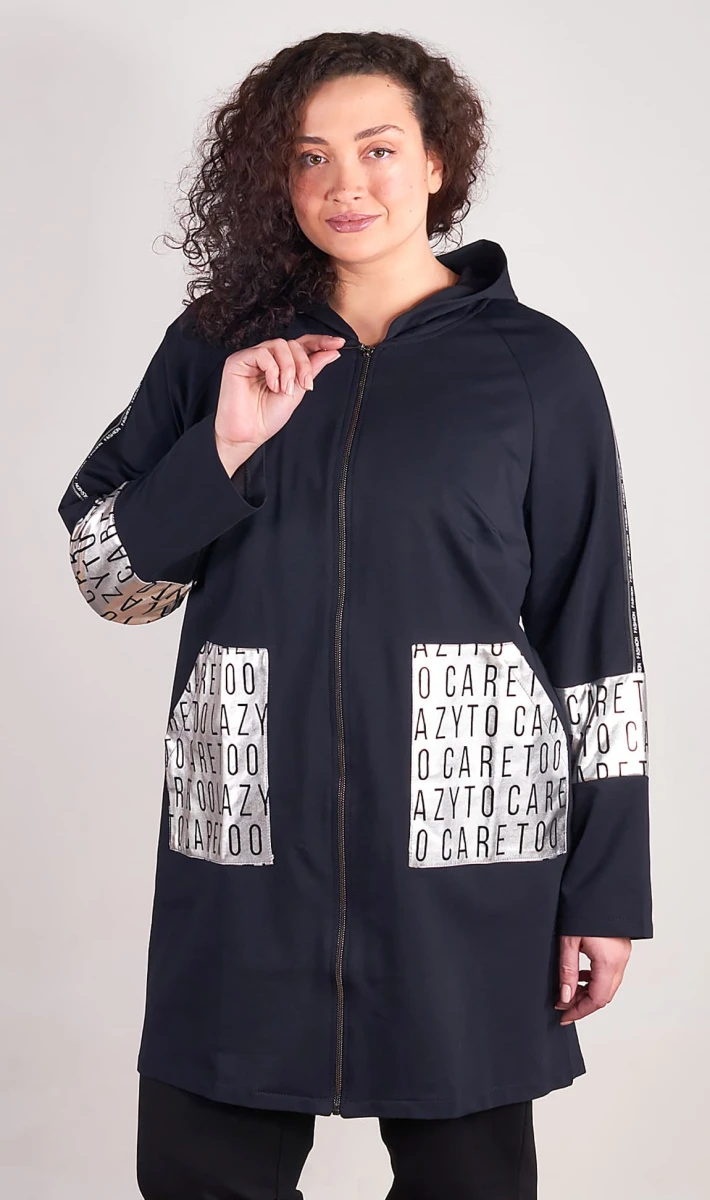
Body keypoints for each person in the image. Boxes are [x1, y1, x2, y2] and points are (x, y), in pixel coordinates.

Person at [56, 29, 653, 1200]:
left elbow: (593, 643)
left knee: (467, 1184)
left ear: (436, 162)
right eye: (309, 156)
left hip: (465, 845)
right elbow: (107, 575)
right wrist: (222, 449)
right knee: (196, 1173)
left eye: (377, 149)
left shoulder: (536, 369)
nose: (344, 184)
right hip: (248, 844)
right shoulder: (217, 345)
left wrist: (604, 890)